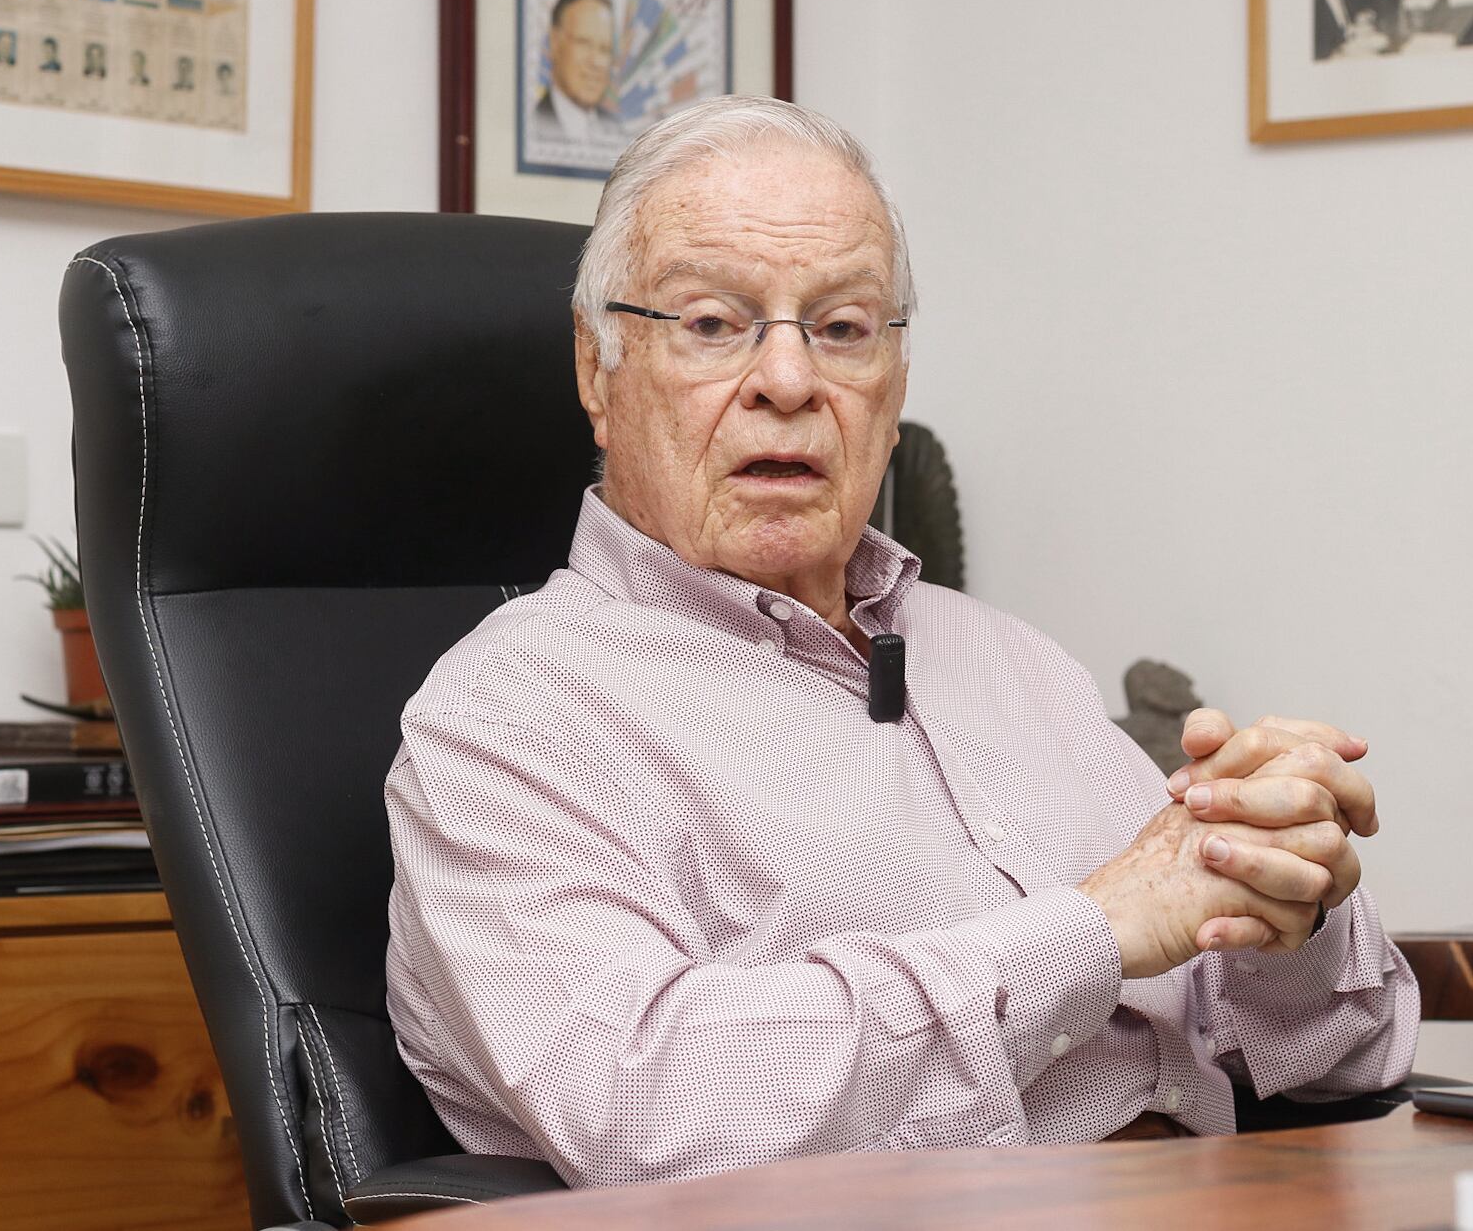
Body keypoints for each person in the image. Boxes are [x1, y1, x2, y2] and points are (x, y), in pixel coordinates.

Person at [385, 95, 1419, 1189]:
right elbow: (652, 1105)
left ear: (896, 380)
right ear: (601, 374)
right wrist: (1090, 930)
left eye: (841, 328)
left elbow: (1353, 1058)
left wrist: (1282, 893)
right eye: (711, 322)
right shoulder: (508, 719)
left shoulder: (1014, 661)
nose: (789, 382)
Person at [531, 0, 616, 143]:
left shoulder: (618, 129)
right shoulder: (537, 120)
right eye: (583, 43)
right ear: (554, 42)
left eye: (604, 49)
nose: (596, 62)